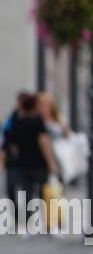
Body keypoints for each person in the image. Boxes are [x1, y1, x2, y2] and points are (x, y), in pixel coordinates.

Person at [3, 92, 59, 221]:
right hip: (39, 164)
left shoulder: (16, 122)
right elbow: (44, 142)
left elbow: (12, 144)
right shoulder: (37, 122)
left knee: (27, 193)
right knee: (44, 193)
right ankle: (48, 220)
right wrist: (51, 163)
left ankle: (29, 223)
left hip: (23, 164)